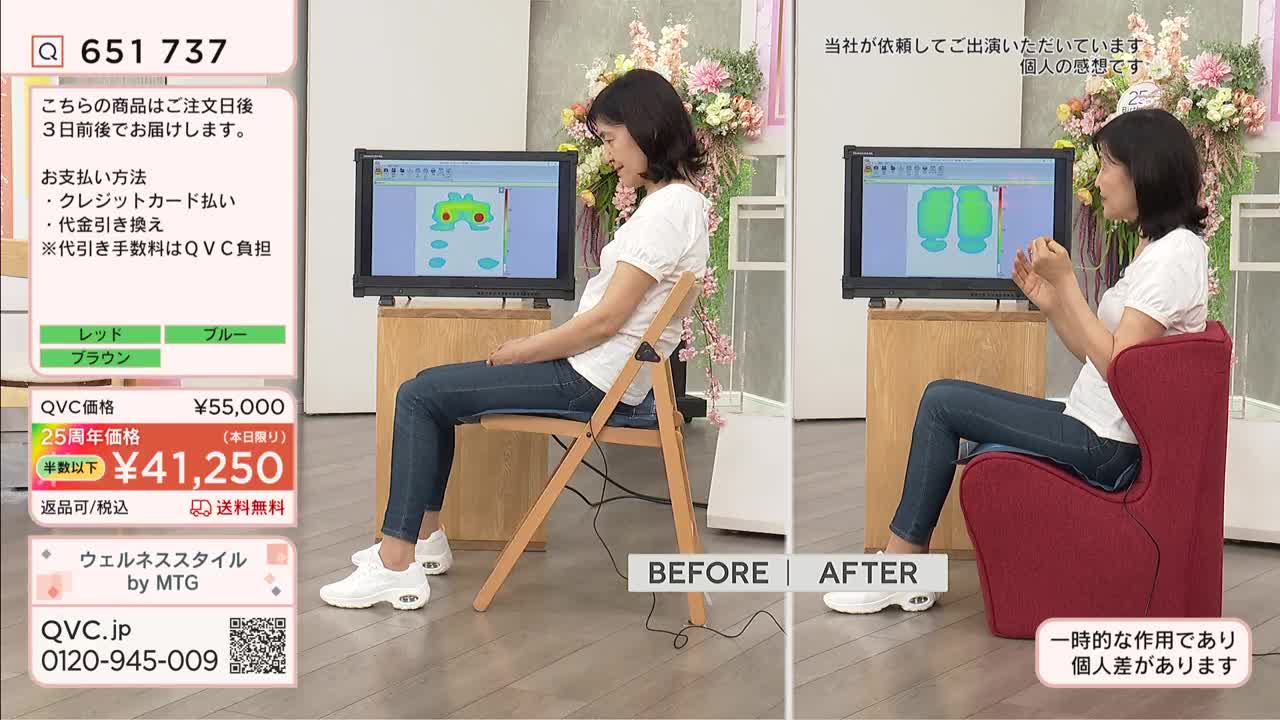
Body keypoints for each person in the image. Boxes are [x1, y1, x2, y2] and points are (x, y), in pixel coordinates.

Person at [320, 68, 711, 610]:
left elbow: (604, 322)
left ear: (645, 129)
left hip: (589, 382)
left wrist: (519, 351)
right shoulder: (678, 204)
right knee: (432, 393)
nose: (609, 155)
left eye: (612, 140)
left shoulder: (667, 212)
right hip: (603, 377)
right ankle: (423, 542)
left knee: (419, 395)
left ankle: (395, 563)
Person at [824, 108, 1210, 615]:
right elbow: (1097, 358)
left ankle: (901, 567)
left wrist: (1068, 283)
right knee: (945, 401)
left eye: (1107, 165)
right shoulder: (1158, 248)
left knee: (942, 402)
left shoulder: (1174, 256)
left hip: (1108, 445)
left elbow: (1124, 371)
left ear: (1143, 171)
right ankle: (906, 569)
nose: (1098, 180)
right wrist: (1051, 302)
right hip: (1095, 424)